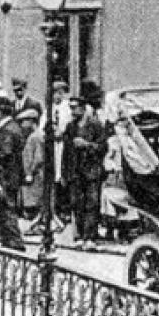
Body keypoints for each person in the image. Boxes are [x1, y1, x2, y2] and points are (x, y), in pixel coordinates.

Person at [62, 95, 108, 250]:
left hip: (92, 171)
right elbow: (66, 152)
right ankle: (80, 235)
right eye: (71, 108)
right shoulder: (70, 127)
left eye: (75, 107)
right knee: (77, 204)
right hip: (75, 172)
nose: (72, 111)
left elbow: (103, 147)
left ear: (83, 108)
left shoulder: (95, 125)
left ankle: (90, 237)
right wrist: (64, 173)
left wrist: (86, 145)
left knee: (92, 203)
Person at [0, 97, 27, 250]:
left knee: (6, 206)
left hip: (6, 175)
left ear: (1, 111)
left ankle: (14, 239)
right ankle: (5, 237)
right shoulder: (9, 127)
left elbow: (5, 153)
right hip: (10, 174)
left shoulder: (7, 129)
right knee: (3, 206)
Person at [100, 115, 140, 242]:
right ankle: (111, 228)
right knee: (108, 196)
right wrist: (111, 166)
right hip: (117, 175)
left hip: (130, 175)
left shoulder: (133, 141)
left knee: (130, 202)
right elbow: (108, 157)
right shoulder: (113, 141)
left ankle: (127, 230)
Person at [19, 108, 45, 221]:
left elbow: (38, 158)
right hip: (34, 174)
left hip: (35, 175)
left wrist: (30, 173)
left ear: (31, 121)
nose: (22, 124)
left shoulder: (36, 136)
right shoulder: (34, 135)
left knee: (35, 203)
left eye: (24, 121)